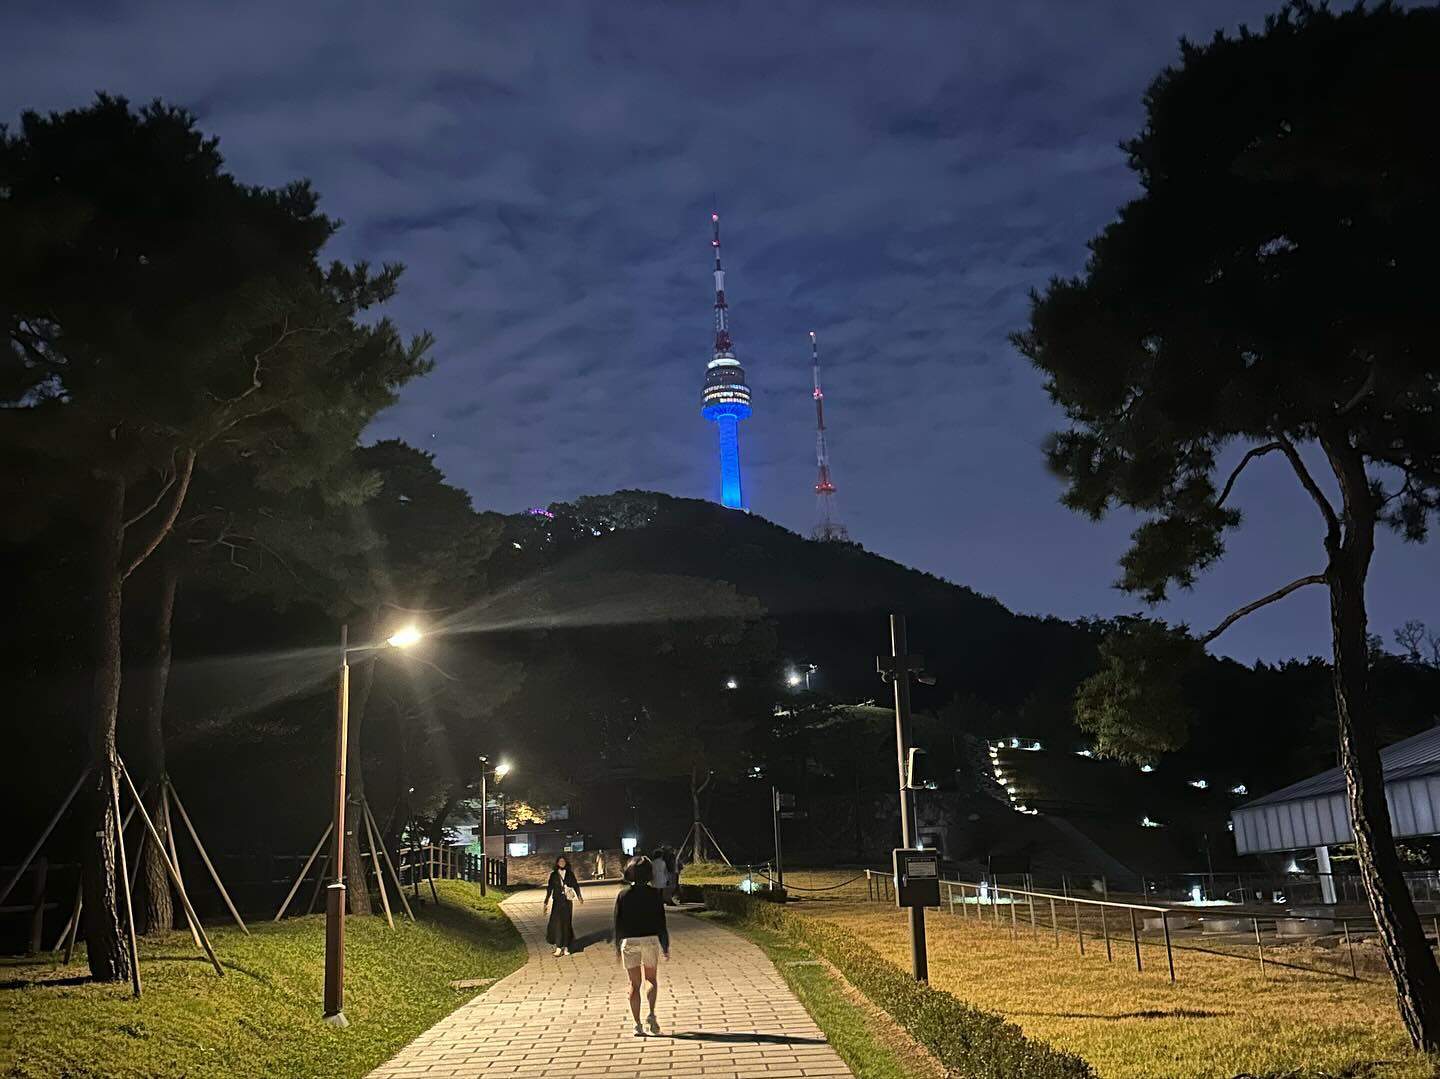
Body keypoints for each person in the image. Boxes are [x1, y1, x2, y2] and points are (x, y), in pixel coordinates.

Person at [614, 855, 669, 1037]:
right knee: (651, 980)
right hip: (650, 939)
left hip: (630, 941)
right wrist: (665, 945)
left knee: (633, 984)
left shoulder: (623, 895)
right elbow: (661, 921)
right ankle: (652, 1015)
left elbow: (618, 922)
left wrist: (617, 945)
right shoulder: (654, 894)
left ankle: (637, 1024)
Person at [543, 855, 583, 956]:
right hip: (557, 902)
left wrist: (579, 896)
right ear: (557, 863)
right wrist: (546, 901)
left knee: (566, 923)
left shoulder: (570, 874)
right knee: (557, 923)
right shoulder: (554, 875)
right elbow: (549, 888)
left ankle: (566, 946)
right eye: (560, 861)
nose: (562, 863)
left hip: (567, 902)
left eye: (563, 861)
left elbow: (575, 885)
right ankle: (558, 946)